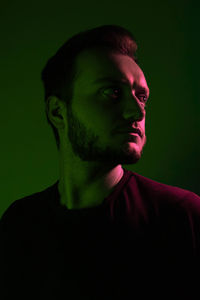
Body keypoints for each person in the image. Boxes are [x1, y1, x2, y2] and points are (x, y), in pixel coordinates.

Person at [1, 24, 200, 300]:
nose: (137, 110)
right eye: (112, 93)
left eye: (141, 96)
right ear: (58, 112)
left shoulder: (183, 217)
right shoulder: (20, 225)